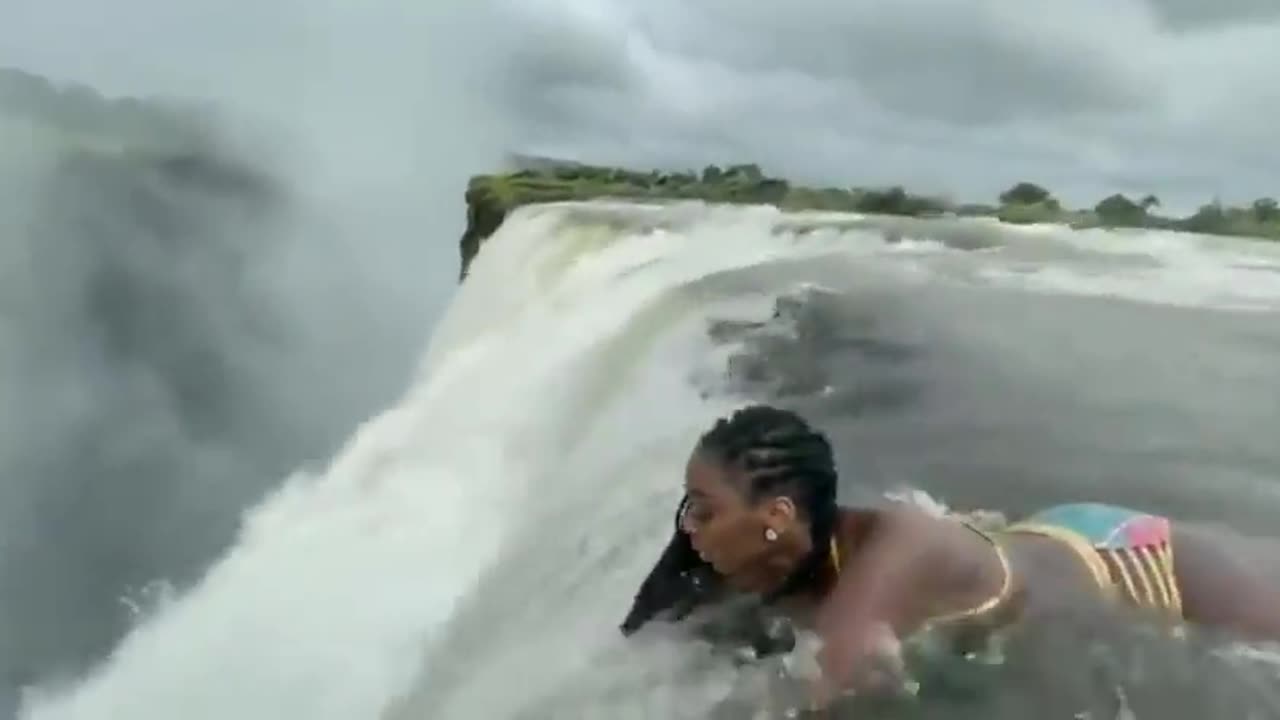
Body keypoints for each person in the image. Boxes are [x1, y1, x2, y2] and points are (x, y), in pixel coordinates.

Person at [618, 404, 1280, 711]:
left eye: (703, 508)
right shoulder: (784, 550)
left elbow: (853, 666)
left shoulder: (890, 559)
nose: (688, 527)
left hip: (1139, 562)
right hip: (1032, 540)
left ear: (775, 518)